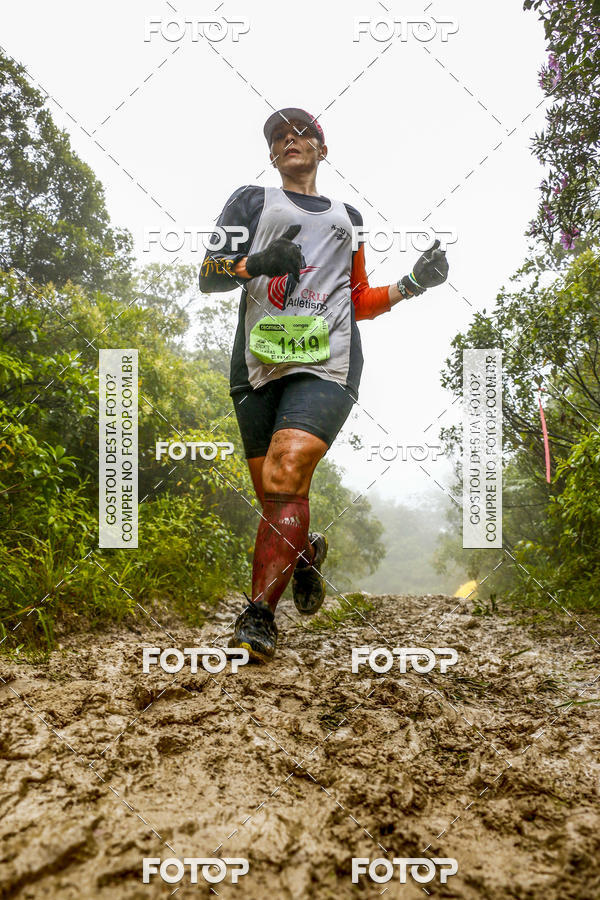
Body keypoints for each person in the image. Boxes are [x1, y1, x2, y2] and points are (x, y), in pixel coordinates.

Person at [199, 107, 448, 662]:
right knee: (273, 499)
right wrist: (256, 262)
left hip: (328, 363)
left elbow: (355, 300)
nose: (291, 138)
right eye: (279, 135)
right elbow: (207, 275)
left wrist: (413, 284)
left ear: (321, 148)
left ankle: (258, 618)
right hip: (257, 364)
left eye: (303, 132)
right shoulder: (251, 201)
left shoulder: (347, 216)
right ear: (271, 154)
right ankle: (305, 554)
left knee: (287, 473)